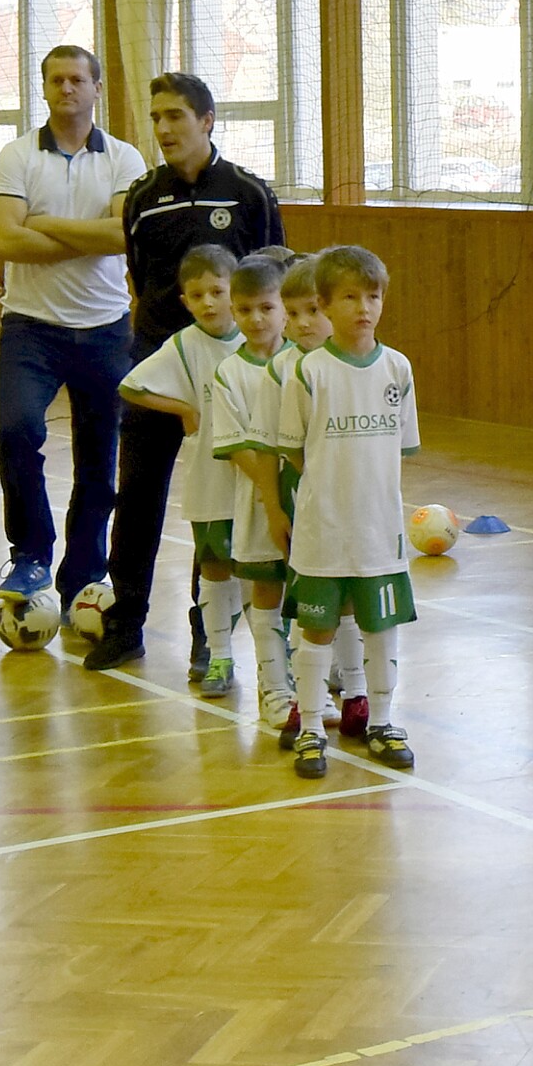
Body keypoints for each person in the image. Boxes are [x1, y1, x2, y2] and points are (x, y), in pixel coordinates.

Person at [92, 72, 285, 673]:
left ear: (207, 121)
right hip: (159, 363)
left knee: (220, 507)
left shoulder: (249, 194)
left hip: (231, 372)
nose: (163, 128)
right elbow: (139, 275)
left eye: (175, 115)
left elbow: (274, 277)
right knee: (137, 497)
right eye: (155, 117)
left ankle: (209, 636)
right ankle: (125, 624)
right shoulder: (143, 197)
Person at [0, 45, 150, 615]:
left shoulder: (124, 158)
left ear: (97, 88)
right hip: (31, 329)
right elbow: (2, 240)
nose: (67, 88)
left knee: (100, 459)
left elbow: (125, 236)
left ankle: (83, 573)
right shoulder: (17, 155)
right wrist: (89, 235)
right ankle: (30, 553)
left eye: (78, 79)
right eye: (56, 80)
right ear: (45, 88)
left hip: (106, 329)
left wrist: (45, 224)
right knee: (16, 432)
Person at [274, 247, 420, 779]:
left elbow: (403, 447)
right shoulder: (308, 371)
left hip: (380, 532)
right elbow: (294, 450)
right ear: (326, 305)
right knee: (316, 630)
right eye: (351, 297)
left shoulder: (397, 368)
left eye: (373, 296)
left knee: (381, 628)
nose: (364, 308)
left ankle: (381, 721)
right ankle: (312, 726)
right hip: (323, 531)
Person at [117, 244, 246, 694]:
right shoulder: (185, 345)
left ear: (235, 292)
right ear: (184, 301)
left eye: (217, 292)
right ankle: (213, 649)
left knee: (266, 571)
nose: (208, 303)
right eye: (197, 295)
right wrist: (185, 408)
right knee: (214, 565)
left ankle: (285, 658)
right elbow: (131, 385)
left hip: (258, 478)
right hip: (211, 477)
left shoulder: (258, 338)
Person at [273, 252, 364, 744]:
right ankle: (304, 698)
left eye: (313, 310)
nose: (304, 323)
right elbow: (283, 447)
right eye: (293, 313)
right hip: (301, 503)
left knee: (347, 600)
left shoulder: (364, 365)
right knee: (306, 603)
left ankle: (356, 692)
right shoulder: (284, 370)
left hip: (352, 507)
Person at [205, 256, 297, 726]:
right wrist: (272, 491)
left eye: (266, 307)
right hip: (262, 502)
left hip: (310, 499)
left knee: (316, 589)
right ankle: (273, 687)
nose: (256, 319)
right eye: (244, 310)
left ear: (284, 308)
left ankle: (320, 680)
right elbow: (237, 444)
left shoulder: (304, 363)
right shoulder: (229, 373)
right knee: (266, 590)